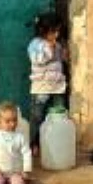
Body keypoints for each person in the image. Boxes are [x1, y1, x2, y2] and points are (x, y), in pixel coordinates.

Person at [27, 11, 69, 157]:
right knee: (37, 117)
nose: (56, 35)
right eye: (53, 31)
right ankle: (33, 144)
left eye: (57, 31)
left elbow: (59, 62)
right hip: (41, 88)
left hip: (57, 87)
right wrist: (50, 50)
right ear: (43, 31)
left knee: (59, 115)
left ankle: (53, 145)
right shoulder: (35, 44)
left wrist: (63, 55)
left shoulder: (56, 44)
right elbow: (38, 60)